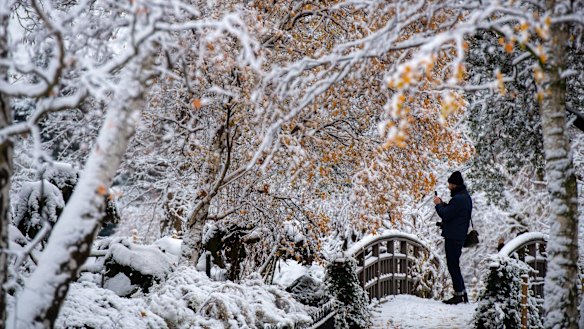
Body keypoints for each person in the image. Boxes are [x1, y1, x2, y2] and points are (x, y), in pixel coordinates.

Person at [433, 171, 473, 305]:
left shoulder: (458, 199)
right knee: (454, 264)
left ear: (454, 184)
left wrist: (438, 204)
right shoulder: (464, 197)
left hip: (453, 237)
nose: (449, 187)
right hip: (459, 236)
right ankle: (462, 293)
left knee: (453, 265)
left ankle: (459, 295)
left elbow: (445, 214)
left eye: (450, 184)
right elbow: (454, 212)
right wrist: (444, 204)